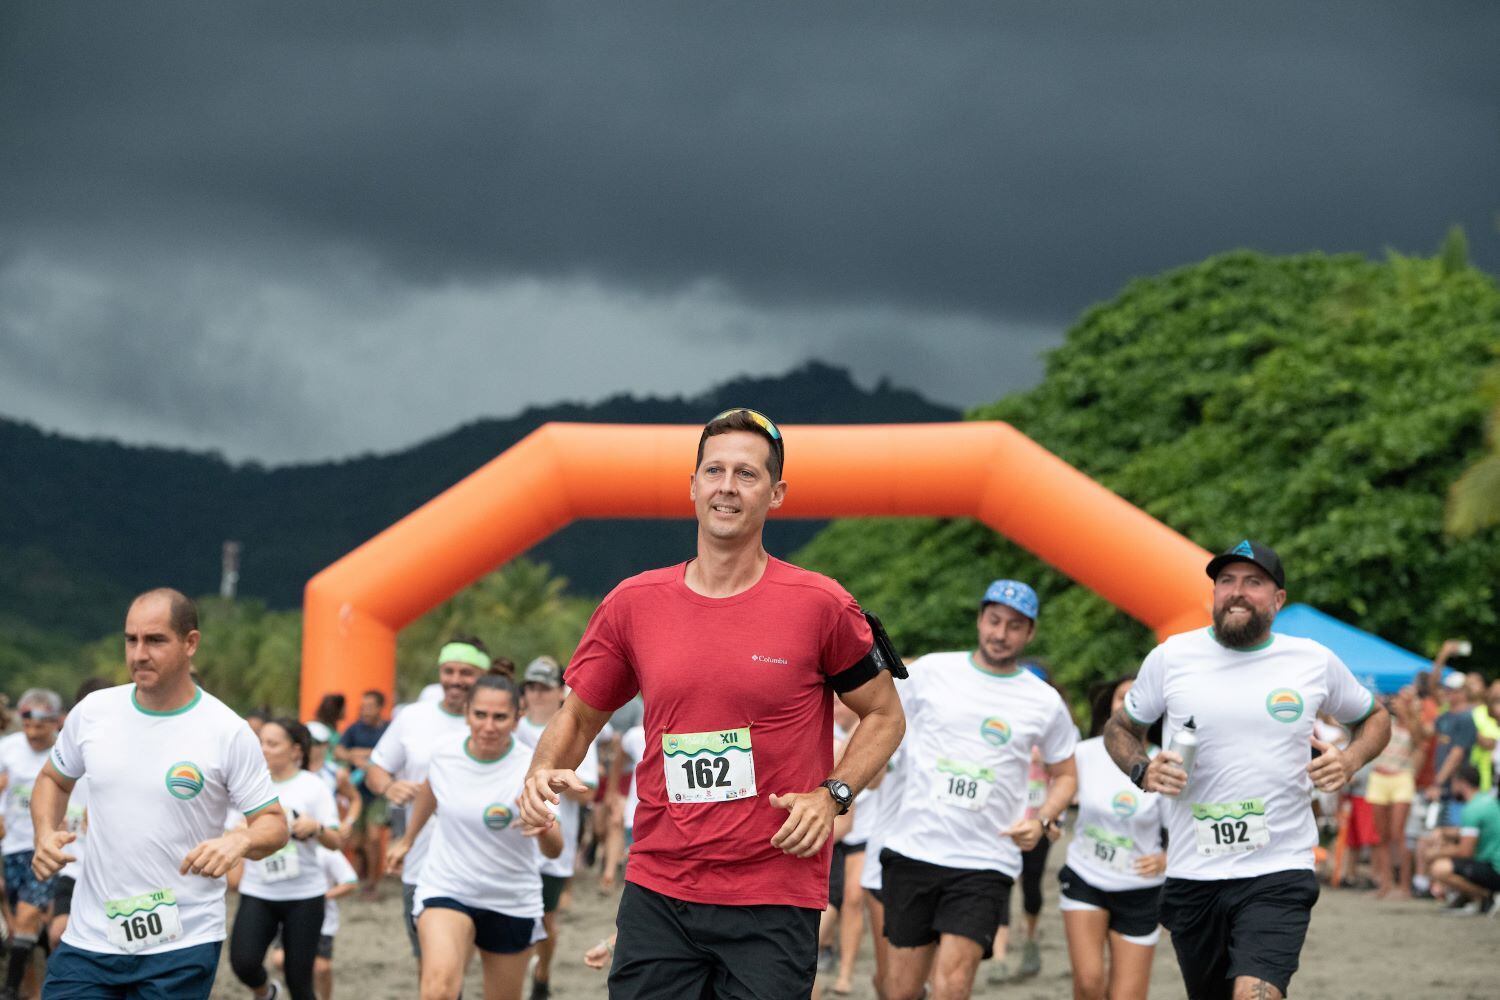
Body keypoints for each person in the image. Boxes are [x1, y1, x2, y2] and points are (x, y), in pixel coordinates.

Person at [518, 408, 906, 1000]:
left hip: (773, 892)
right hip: (660, 887)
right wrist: (540, 770)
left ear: (776, 494)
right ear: (693, 485)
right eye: (714, 471)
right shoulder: (634, 603)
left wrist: (835, 795)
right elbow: (577, 714)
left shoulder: (820, 605)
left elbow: (885, 714)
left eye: (746, 474)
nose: (727, 486)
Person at [1103, 540, 1391, 1000]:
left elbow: (1375, 718)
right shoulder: (1172, 656)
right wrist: (1143, 769)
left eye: (1253, 582)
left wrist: (1350, 759)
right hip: (1194, 875)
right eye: (1226, 581)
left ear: (1278, 600)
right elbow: (1120, 728)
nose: (1237, 592)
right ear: (1214, 593)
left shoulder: (1311, 660)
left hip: (1278, 868)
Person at [30, 588, 288, 1000]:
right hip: (91, 936)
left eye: (155, 640)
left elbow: (274, 824)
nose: (139, 654)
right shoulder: (94, 712)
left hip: (181, 941)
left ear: (191, 643)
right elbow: (52, 780)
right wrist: (44, 833)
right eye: (131, 640)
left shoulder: (226, 730)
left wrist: (239, 839)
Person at [879, 580, 1078, 1000]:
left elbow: (1066, 775)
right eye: (994, 621)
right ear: (980, 620)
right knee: (899, 990)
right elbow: (881, 719)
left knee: (953, 986)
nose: (1001, 634)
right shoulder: (932, 671)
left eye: (1014, 626)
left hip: (986, 860)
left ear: (1030, 633)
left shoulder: (1043, 701)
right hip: (914, 849)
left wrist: (1042, 820)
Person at [386, 674, 562, 1000]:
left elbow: (555, 851)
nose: (489, 726)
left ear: (517, 718)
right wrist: (408, 839)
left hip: (511, 897)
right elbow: (431, 790)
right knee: (437, 989)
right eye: (480, 714)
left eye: (500, 717)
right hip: (448, 885)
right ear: (467, 713)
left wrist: (543, 830)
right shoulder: (444, 754)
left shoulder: (532, 768)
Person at [365, 637, 488, 965]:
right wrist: (389, 786)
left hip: (478, 863)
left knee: (459, 960)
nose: (456, 680)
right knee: (428, 960)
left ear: (484, 676)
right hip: (420, 861)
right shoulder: (413, 717)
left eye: (467, 672)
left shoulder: (493, 723)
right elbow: (376, 769)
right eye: (449, 670)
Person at [1059, 676, 1166, 1000]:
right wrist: (1047, 821)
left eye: (1138, 698)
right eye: (1122, 697)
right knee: (1089, 983)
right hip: (1085, 877)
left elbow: (1186, 824)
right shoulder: (1083, 754)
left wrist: (1168, 858)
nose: (1129, 705)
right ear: (1110, 705)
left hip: (1141, 888)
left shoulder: (1165, 761)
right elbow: (1056, 796)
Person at [228, 719, 344, 1000]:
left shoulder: (313, 786)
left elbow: (336, 841)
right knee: (243, 962)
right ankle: (266, 992)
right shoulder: (249, 783)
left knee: (299, 979)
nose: (263, 749)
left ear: (295, 751)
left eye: (272, 743)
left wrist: (316, 828)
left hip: (305, 894)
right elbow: (231, 829)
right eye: (260, 742)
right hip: (259, 890)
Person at [514, 656, 598, 1000]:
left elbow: (589, 788)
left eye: (544, 687)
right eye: (531, 687)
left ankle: (543, 974)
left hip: (554, 842)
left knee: (546, 918)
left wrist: (554, 780)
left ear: (559, 692)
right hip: (515, 839)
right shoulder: (511, 727)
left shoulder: (571, 727)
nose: (537, 694)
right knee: (514, 915)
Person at [1, 688, 64, 999]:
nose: (32, 729)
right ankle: (33, 992)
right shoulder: (7, 749)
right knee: (21, 930)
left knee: (27, 915)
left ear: (55, 722)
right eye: (26, 721)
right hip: (11, 847)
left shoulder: (64, 755)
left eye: (40, 723)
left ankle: (8, 991)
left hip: (46, 848)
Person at [47, 677, 114, 953]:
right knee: (57, 933)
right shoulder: (65, 756)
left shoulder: (125, 758)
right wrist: (48, 830)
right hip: (74, 869)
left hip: (115, 876)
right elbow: (47, 788)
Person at [267, 847, 359, 1000]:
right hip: (287, 916)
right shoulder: (284, 847)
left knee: (321, 968)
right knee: (279, 960)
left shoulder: (327, 852)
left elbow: (350, 882)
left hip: (322, 921)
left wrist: (317, 897)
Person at [1367, 687, 1424, 899]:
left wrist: (1409, 715)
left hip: (1401, 777)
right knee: (1381, 836)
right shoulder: (1385, 721)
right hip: (1379, 777)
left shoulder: (1415, 724)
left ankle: (1405, 886)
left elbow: (1419, 743)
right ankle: (1386, 884)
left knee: (1398, 834)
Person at [335, 690, 389, 896]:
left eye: (369, 706)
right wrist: (353, 756)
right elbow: (339, 751)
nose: (365, 710)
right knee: (356, 841)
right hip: (356, 793)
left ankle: (373, 884)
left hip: (379, 792)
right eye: (362, 706)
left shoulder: (388, 729)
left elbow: (391, 752)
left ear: (379, 708)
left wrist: (365, 754)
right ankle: (357, 879)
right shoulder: (354, 729)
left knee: (374, 838)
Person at [1427, 763, 1500, 912]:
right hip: (1493, 864)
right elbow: (1471, 832)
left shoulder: (1472, 809)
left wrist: (1435, 854)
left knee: (1439, 868)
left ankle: (1485, 896)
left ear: (1461, 783)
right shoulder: (1486, 801)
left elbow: (1465, 852)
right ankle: (1468, 897)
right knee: (1448, 849)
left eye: (1453, 782)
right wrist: (1444, 832)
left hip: (1495, 869)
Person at [304, 722, 361, 831]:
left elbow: (355, 799)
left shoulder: (336, 773)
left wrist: (348, 823)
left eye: (313, 742)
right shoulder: (290, 769)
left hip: (326, 836)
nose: (308, 746)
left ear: (325, 745)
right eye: (304, 741)